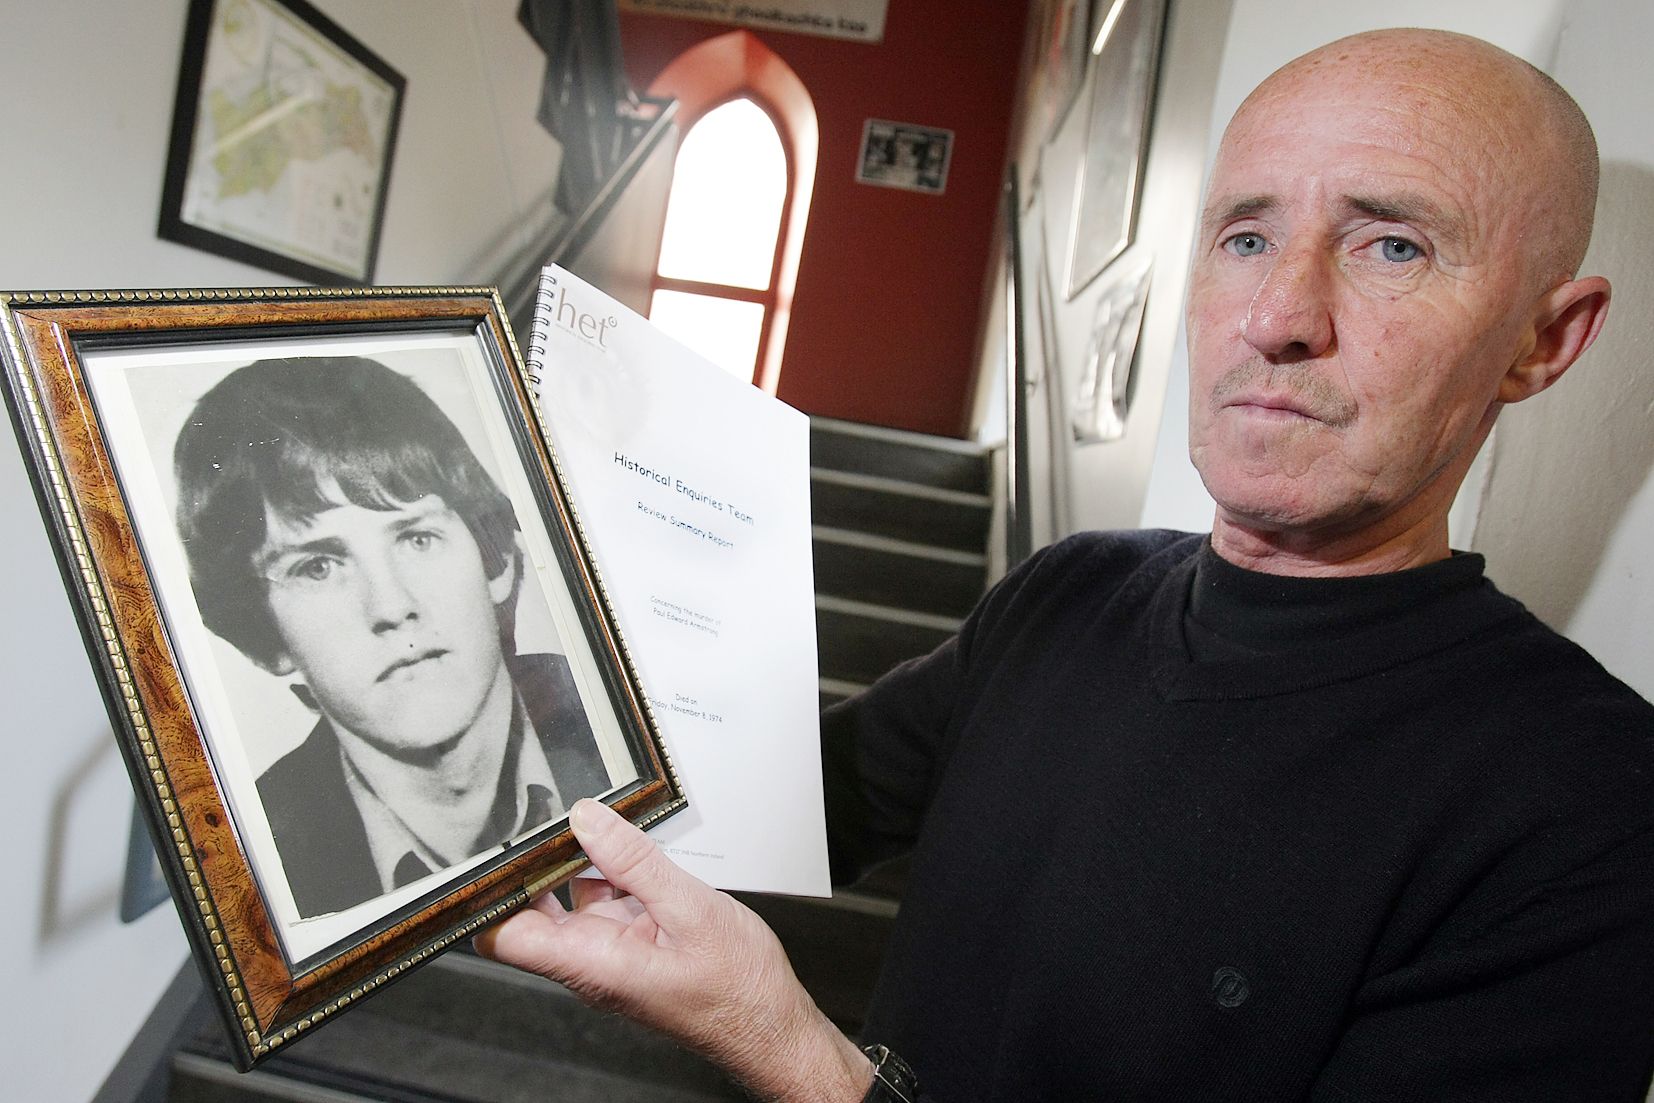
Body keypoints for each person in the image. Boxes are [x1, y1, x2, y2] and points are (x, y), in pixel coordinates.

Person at [476, 28, 1654, 1101]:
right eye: (1245, 234)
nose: (1278, 313)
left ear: (1544, 340)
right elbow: (788, 799)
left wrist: (790, 1050)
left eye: (1391, 243)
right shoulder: (1068, 590)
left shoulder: (1592, 803)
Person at [174, 355, 610, 917]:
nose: (392, 607)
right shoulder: (253, 869)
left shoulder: (621, 726)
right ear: (268, 640)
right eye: (318, 567)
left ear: (494, 559)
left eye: (418, 538)